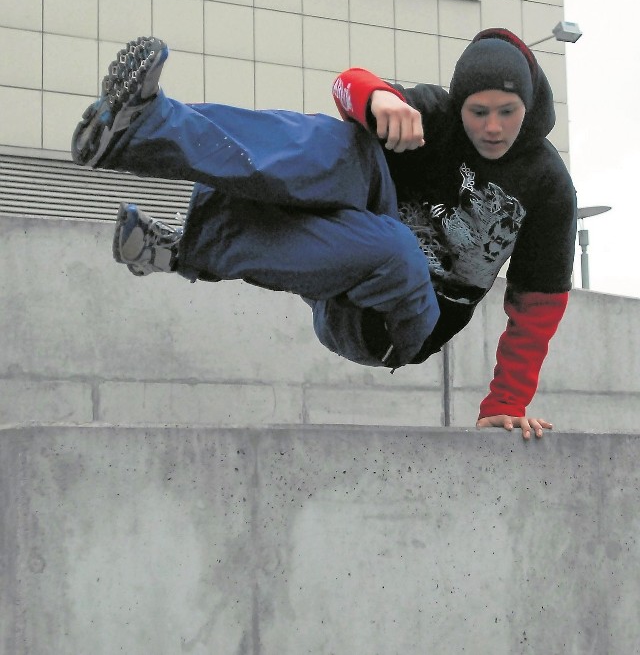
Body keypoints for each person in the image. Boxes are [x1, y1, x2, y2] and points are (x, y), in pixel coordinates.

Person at [71, 30, 577, 439]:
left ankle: (188, 254)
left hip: (398, 325)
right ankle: (143, 130)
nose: (492, 128)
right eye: (478, 112)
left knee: (398, 251)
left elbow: (537, 309)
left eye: (507, 113)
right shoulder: (436, 114)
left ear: (527, 109)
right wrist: (374, 96)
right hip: (354, 244)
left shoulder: (547, 185)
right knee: (340, 145)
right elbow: (347, 85)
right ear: (460, 104)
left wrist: (505, 402)